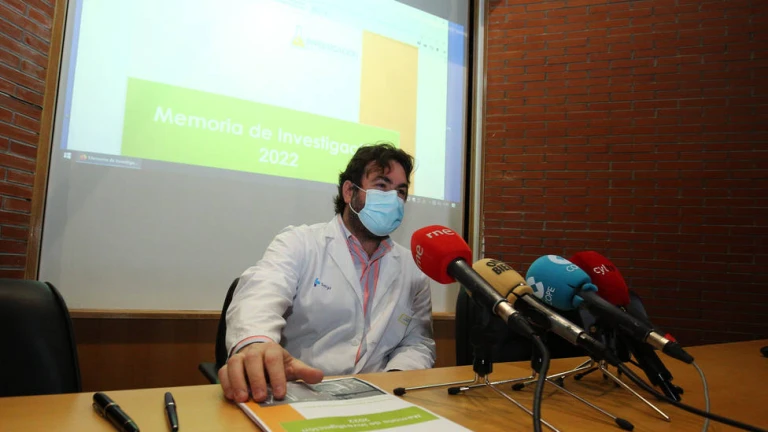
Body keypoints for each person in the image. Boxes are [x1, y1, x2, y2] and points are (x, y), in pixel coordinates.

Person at [219, 142, 436, 403]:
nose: (393, 199)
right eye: (381, 185)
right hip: (298, 391)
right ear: (349, 191)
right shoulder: (299, 243)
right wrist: (256, 342)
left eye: (400, 191)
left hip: (378, 398)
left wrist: (394, 380)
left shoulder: (413, 268)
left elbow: (417, 343)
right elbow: (260, 294)